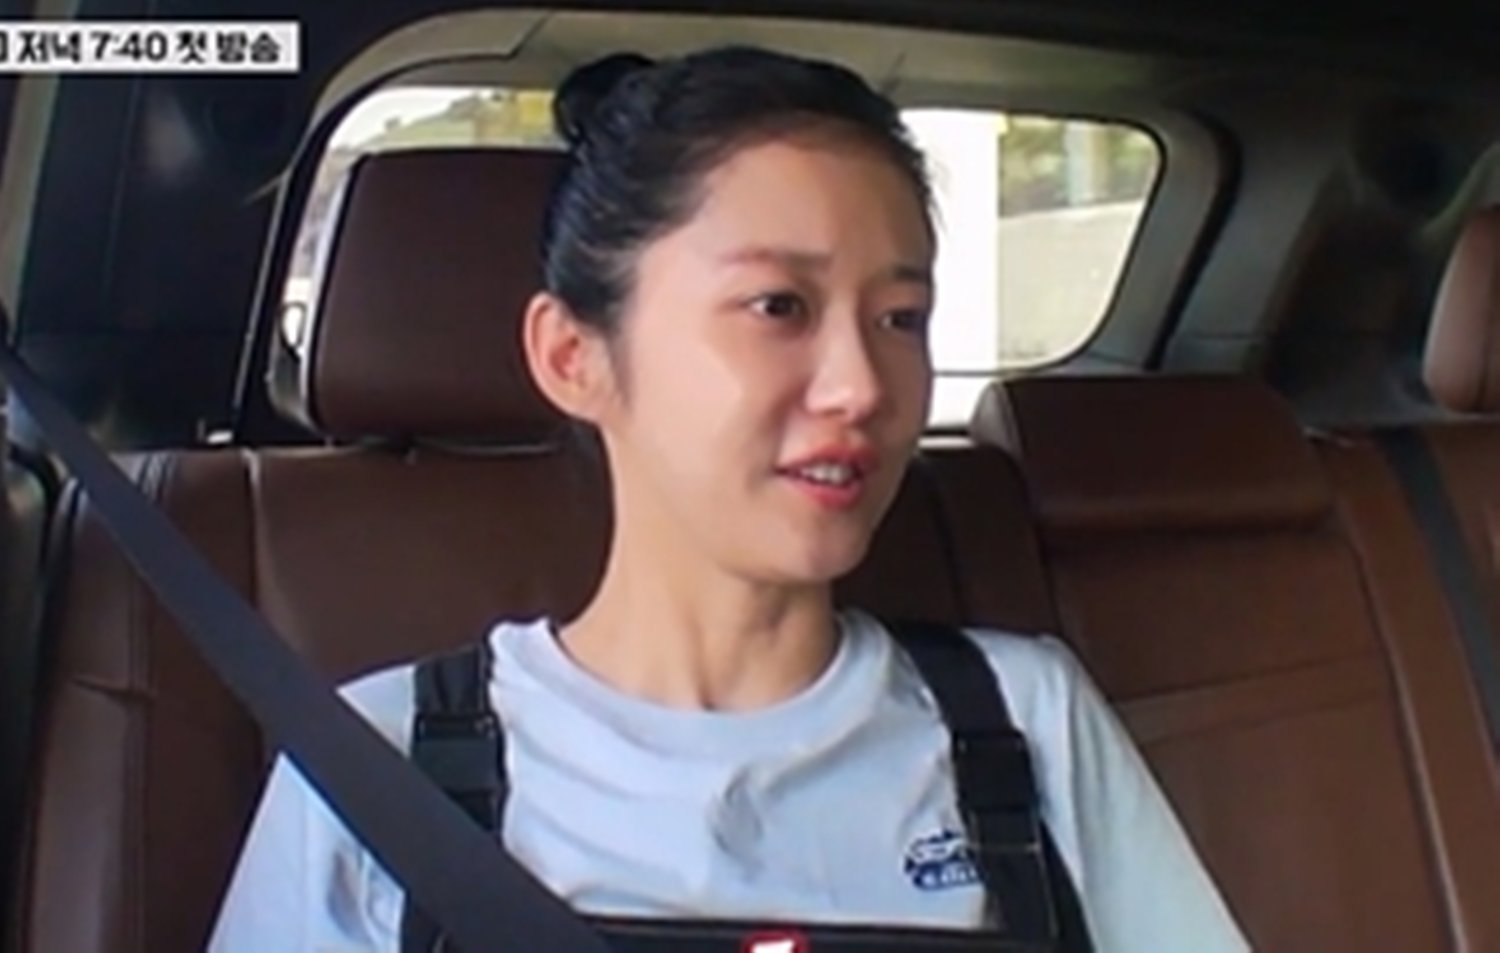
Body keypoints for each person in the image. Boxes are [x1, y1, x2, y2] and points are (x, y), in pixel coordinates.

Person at [210, 47, 1248, 952]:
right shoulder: (374, 764)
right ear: (574, 356)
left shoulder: (1026, 719)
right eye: (777, 306)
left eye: (900, 316)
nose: (861, 386)